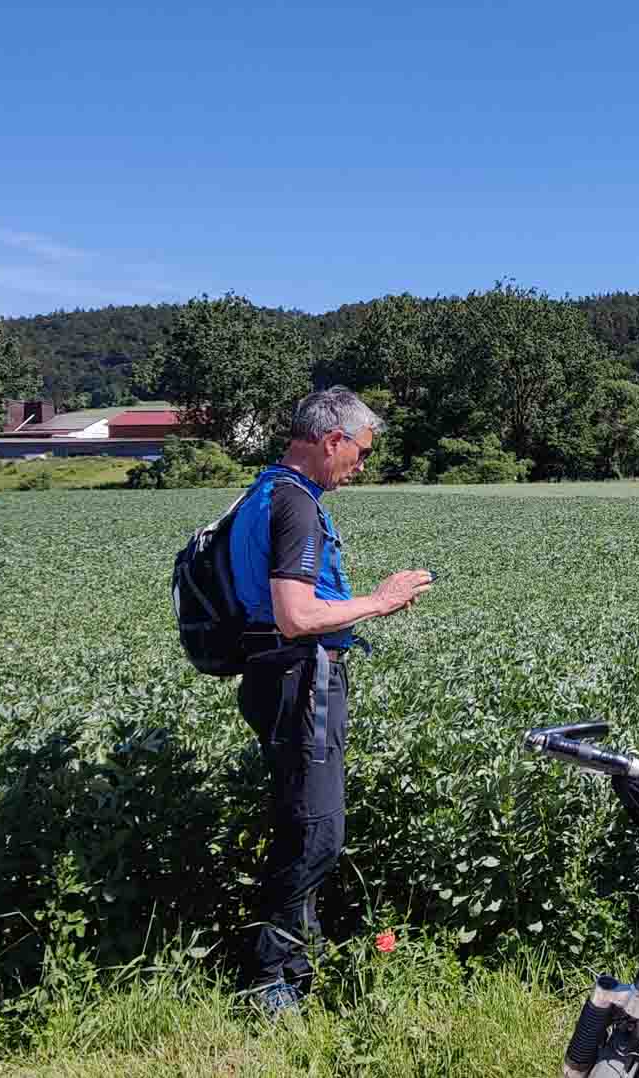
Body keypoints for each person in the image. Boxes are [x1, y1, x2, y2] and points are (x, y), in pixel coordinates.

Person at [229, 386, 432, 1014]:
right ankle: (271, 982)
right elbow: (295, 615)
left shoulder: (260, 491)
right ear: (332, 440)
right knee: (318, 832)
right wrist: (383, 599)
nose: (362, 466)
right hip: (301, 677)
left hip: (273, 676)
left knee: (301, 823)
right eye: (362, 452)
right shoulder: (295, 504)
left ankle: (298, 966)